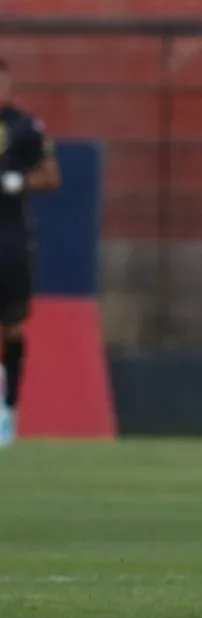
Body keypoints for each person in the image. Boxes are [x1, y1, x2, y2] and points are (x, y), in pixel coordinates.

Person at [0, 58, 62, 447]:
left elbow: (51, 175)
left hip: (8, 240)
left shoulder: (25, 127)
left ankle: (9, 409)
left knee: (11, 325)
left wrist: (14, 180)